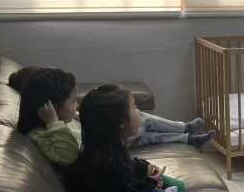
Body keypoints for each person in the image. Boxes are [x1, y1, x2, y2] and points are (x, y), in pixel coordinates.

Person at [11, 66, 215, 157]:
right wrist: (53, 124)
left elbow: (81, 120)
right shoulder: (42, 132)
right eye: (73, 101)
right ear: (52, 108)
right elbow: (69, 155)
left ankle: (186, 134)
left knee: (146, 131)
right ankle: (185, 132)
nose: (77, 105)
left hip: (104, 141)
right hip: (106, 144)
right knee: (145, 126)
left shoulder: (64, 120)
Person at [66, 84, 180, 192]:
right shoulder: (111, 162)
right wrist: (149, 183)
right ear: (121, 122)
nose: (139, 111)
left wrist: (144, 174)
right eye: (134, 107)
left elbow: (123, 183)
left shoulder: (101, 150)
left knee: (142, 170)